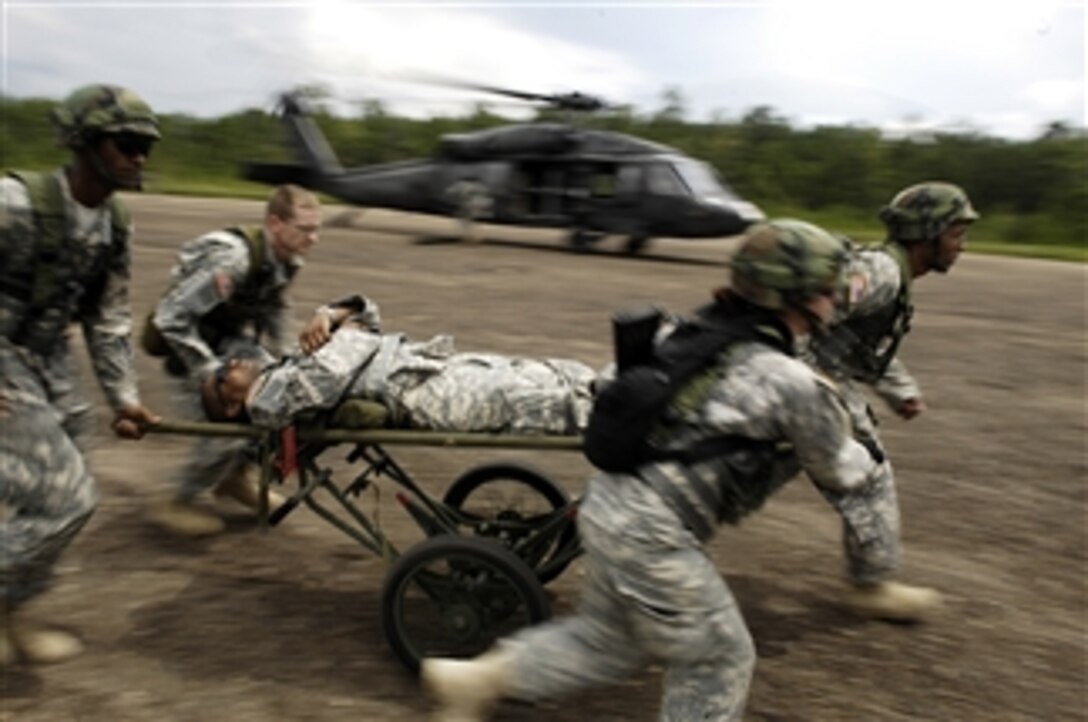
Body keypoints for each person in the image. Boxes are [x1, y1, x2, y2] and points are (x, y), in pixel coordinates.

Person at [420, 219, 943, 722]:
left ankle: (476, 683)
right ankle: (478, 682)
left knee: (607, 643)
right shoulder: (791, 382)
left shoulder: (694, 333)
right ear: (797, 296)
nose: (835, 300)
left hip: (607, 507)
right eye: (827, 290)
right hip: (651, 533)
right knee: (719, 657)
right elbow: (843, 471)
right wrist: (851, 439)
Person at [0, 84, 161, 665]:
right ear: (84, 142)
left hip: (44, 359)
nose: (139, 156)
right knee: (65, 498)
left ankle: (9, 612)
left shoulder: (115, 223)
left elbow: (108, 317)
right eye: (126, 143)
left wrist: (124, 398)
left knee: (68, 499)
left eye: (146, 145)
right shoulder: (13, 203)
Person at [145, 184, 325, 536]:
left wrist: (292, 361)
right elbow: (170, 319)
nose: (314, 238)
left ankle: (235, 478)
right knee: (230, 421)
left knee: (277, 392)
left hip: (228, 344)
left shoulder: (285, 259)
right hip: (187, 352)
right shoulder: (233, 260)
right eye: (305, 229)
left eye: (317, 229)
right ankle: (178, 500)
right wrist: (212, 376)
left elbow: (275, 307)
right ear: (275, 223)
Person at [200, 294, 595, 436]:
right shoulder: (268, 402)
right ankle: (635, 414)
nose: (231, 362)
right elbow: (334, 371)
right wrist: (347, 329)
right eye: (222, 375)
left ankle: (627, 384)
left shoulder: (283, 370)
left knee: (544, 372)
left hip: (427, 370)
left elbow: (369, 315)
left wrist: (332, 312)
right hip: (419, 394)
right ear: (232, 406)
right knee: (535, 401)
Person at [805, 181, 978, 463]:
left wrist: (900, 390)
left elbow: (859, 342)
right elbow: (815, 311)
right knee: (867, 470)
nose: (962, 246)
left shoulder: (892, 275)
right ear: (928, 234)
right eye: (956, 234)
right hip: (801, 387)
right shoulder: (882, 273)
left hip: (805, 386)